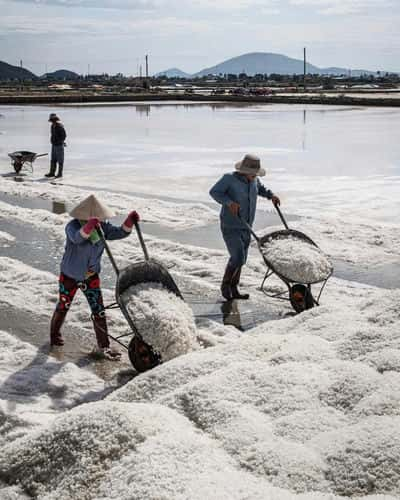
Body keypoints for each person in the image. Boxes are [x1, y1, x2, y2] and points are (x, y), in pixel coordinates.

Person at [49, 194, 140, 360]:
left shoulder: (103, 227)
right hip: (70, 275)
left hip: (90, 277)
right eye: (94, 218)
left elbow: (120, 233)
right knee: (64, 305)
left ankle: (103, 346)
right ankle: (54, 334)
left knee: (98, 310)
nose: (99, 219)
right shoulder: (72, 226)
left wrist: (129, 221)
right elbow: (77, 238)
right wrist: (89, 227)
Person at [210, 154, 280, 301]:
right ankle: (225, 285)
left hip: (247, 225)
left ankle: (234, 288)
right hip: (231, 224)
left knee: (242, 259)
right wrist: (229, 203)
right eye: (252, 174)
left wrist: (271, 195)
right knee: (237, 257)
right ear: (243, 171)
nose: (254, 177)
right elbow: (215, 192)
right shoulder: (229, 179)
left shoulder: (254, 180)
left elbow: (260, 189)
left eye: (255, 174)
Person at [45, 113, 67, 178]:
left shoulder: (60, 126)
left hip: (59, 145)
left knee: (60, 160)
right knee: (53, 159)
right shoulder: (52, 126)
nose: (52, 121)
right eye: (52, 120)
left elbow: (64, 136)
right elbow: (52, 135)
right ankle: (52, 173)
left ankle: (60, 174)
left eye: (53, 119)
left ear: (56, 119)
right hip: (54, 145)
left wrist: (60, 141)